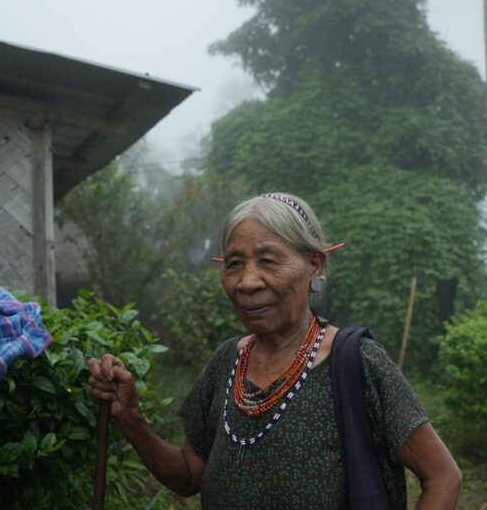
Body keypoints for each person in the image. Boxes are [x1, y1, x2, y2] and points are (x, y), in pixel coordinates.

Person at [87, 192, 461, 509]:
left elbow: (443, 476)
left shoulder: (357, 362)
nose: (247, 282)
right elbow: (188, 477)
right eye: (234, 263)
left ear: (315, 263)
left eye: (268, 260)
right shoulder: (226, 363)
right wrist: (130, 418)